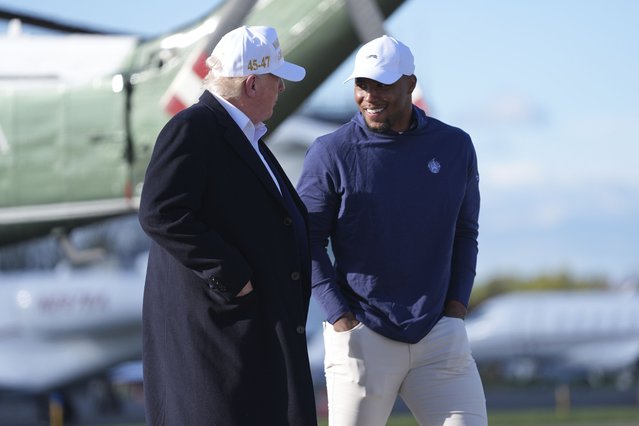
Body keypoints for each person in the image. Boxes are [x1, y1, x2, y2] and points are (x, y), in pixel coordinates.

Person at [296, 35, 487, 425]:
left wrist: (456, 310)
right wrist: (341, 319)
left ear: (410, 84)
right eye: (362, 84)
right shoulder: (330, 151)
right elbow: (306, 239)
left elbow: (465, 231)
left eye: (381, 83)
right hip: (362, 336)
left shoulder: (455, 146)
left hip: (439, 337)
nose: (369, 95)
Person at [139, 26, 317, 426]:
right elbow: (160, 211)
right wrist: (234, 276)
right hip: (217, 345)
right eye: (277, 79)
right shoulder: (194, 128)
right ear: (252, 83)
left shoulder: (245, 137)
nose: (282, 89)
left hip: (247, 342)